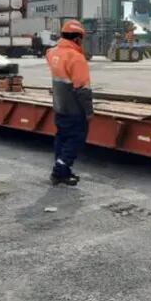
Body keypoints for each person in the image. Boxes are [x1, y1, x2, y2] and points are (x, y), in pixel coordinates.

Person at [46, 19, 93, 186]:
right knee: (75, 139)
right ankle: (59, 171)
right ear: (77, 38)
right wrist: (88, 112)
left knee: (62, 137)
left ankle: (63, 171)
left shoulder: (52, 53)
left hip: (59, 105)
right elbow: (83, 89)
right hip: (74, 108)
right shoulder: (77, 58)